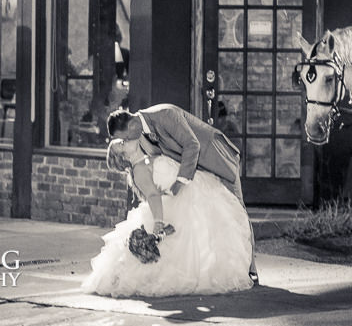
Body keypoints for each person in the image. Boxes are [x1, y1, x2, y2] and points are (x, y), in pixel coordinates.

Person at [81, 133, 255, 297]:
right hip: (178, 203)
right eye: (122, 144)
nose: (125, 140)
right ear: (124, 157)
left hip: (189, 193)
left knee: (204, 236)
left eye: (123, 140)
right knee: (190, 243)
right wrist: (158, 222)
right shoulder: (140, 170)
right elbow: (153, 196)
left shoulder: (146, 158)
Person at [106, 104, 257, 282]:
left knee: (235, 210)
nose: (126, 142)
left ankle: (250, 270)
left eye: (124, 138)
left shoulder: (165, 115)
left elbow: (192, 145)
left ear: (131, 126)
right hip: (196, 170)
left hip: (216, 158)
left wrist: (180, 181)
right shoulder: (141, 134)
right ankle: (222, 269)